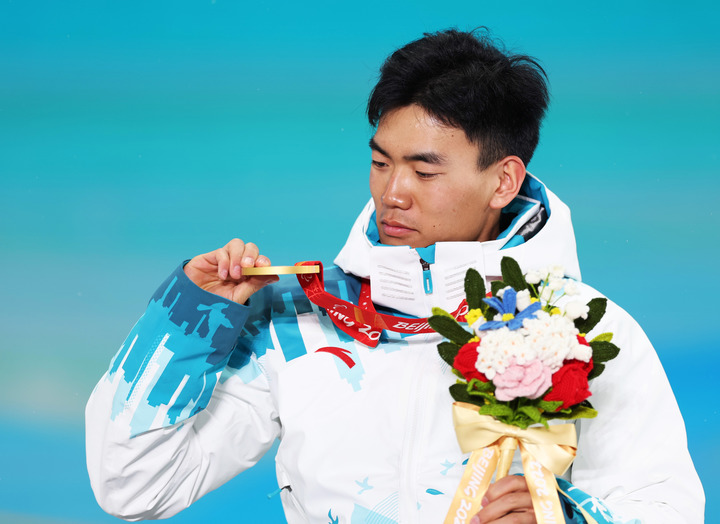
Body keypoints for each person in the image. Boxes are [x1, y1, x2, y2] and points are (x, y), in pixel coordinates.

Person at [86, 29, 704, 523]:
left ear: (503, 181)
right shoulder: (301, 321)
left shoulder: (585, 331)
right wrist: (191, 318)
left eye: (425, 172)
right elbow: (134, 487)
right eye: (381, 163)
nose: (393, 193)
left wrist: (563, 516)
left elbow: (667, 506)